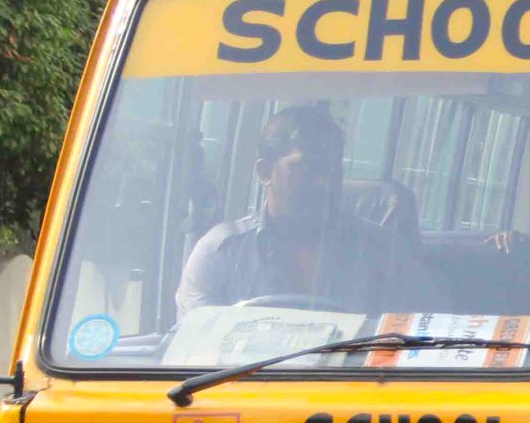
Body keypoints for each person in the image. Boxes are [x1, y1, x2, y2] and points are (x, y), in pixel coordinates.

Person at [175, 105, 417, 318]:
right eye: (305, 168)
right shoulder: (222, 252)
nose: (323, 181)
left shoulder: (382, 252)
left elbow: (412, 338)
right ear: (265, 172)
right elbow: (192, 343)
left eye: (332, 168)